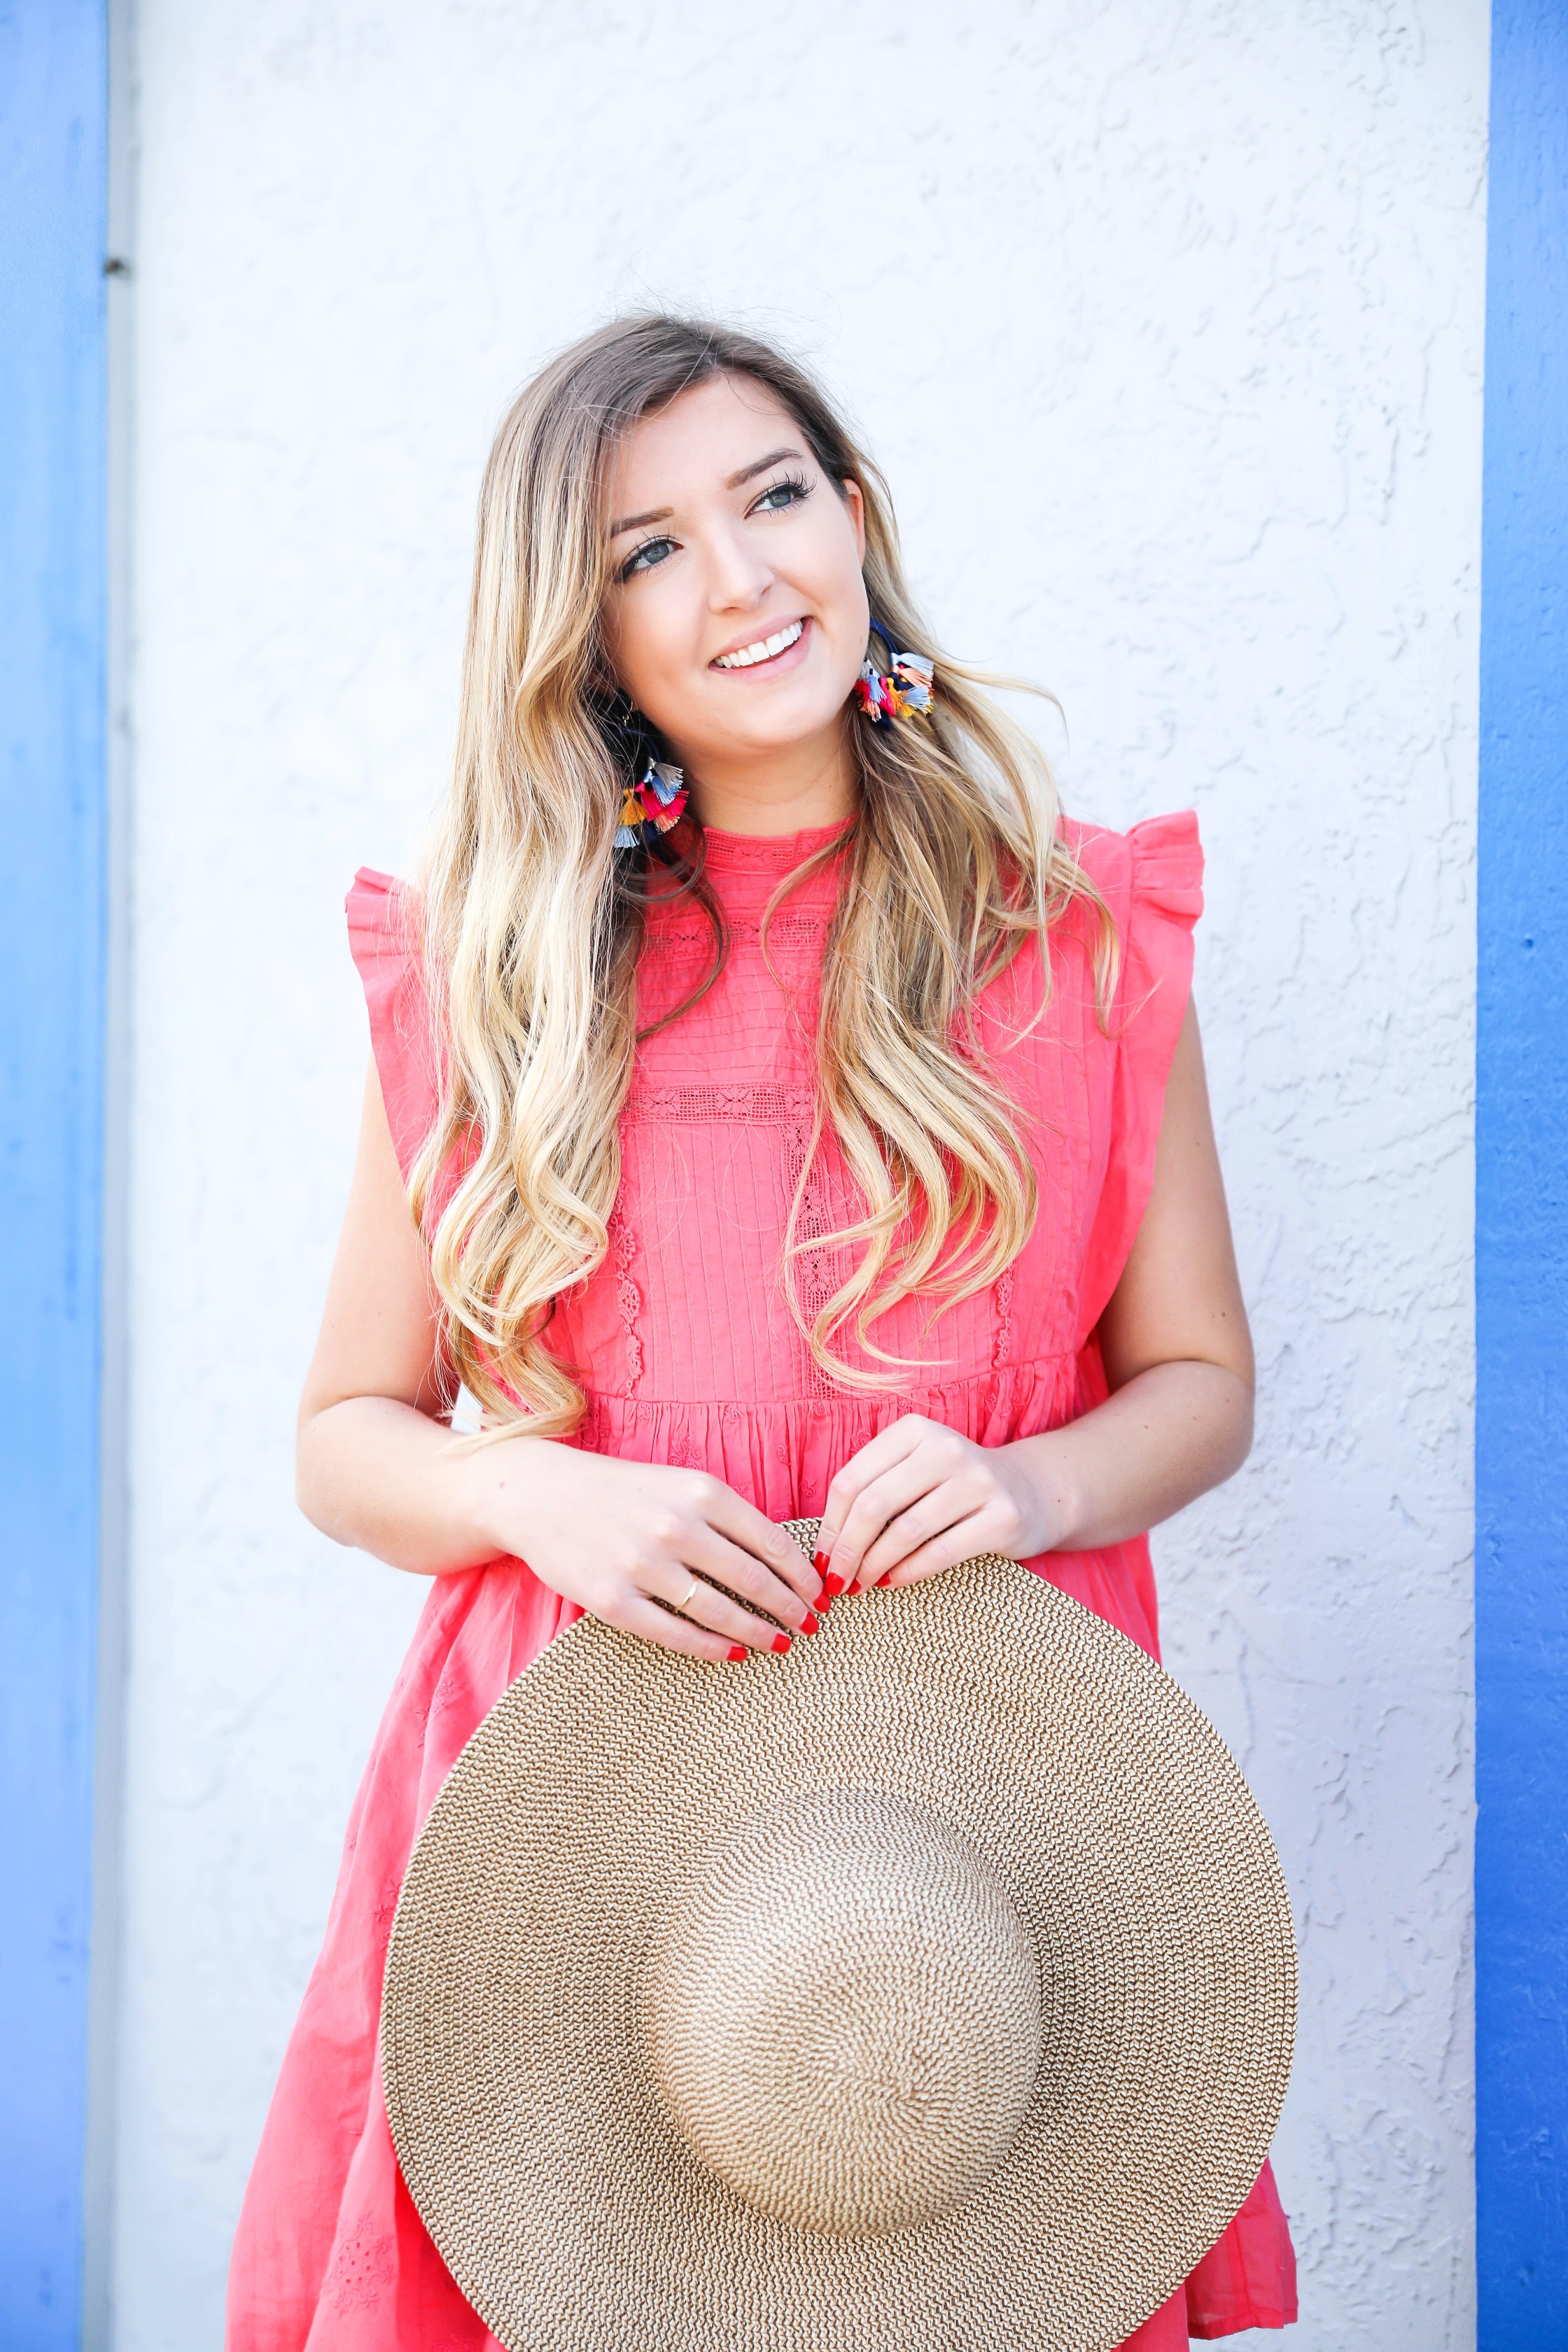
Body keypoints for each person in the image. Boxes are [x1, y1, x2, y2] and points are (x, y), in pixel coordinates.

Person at [225, 314, 1298, 2348]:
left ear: (857, 518)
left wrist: (1029, 1476)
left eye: (774, 497)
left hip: (969, 1854)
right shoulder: (497, 973)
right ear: (581, 632)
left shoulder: (1071, 936)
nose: (739, 581)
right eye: (645, 550)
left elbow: (1203, 1385)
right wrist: (535, 1494)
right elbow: (344, 1436)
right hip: (571, 1836)